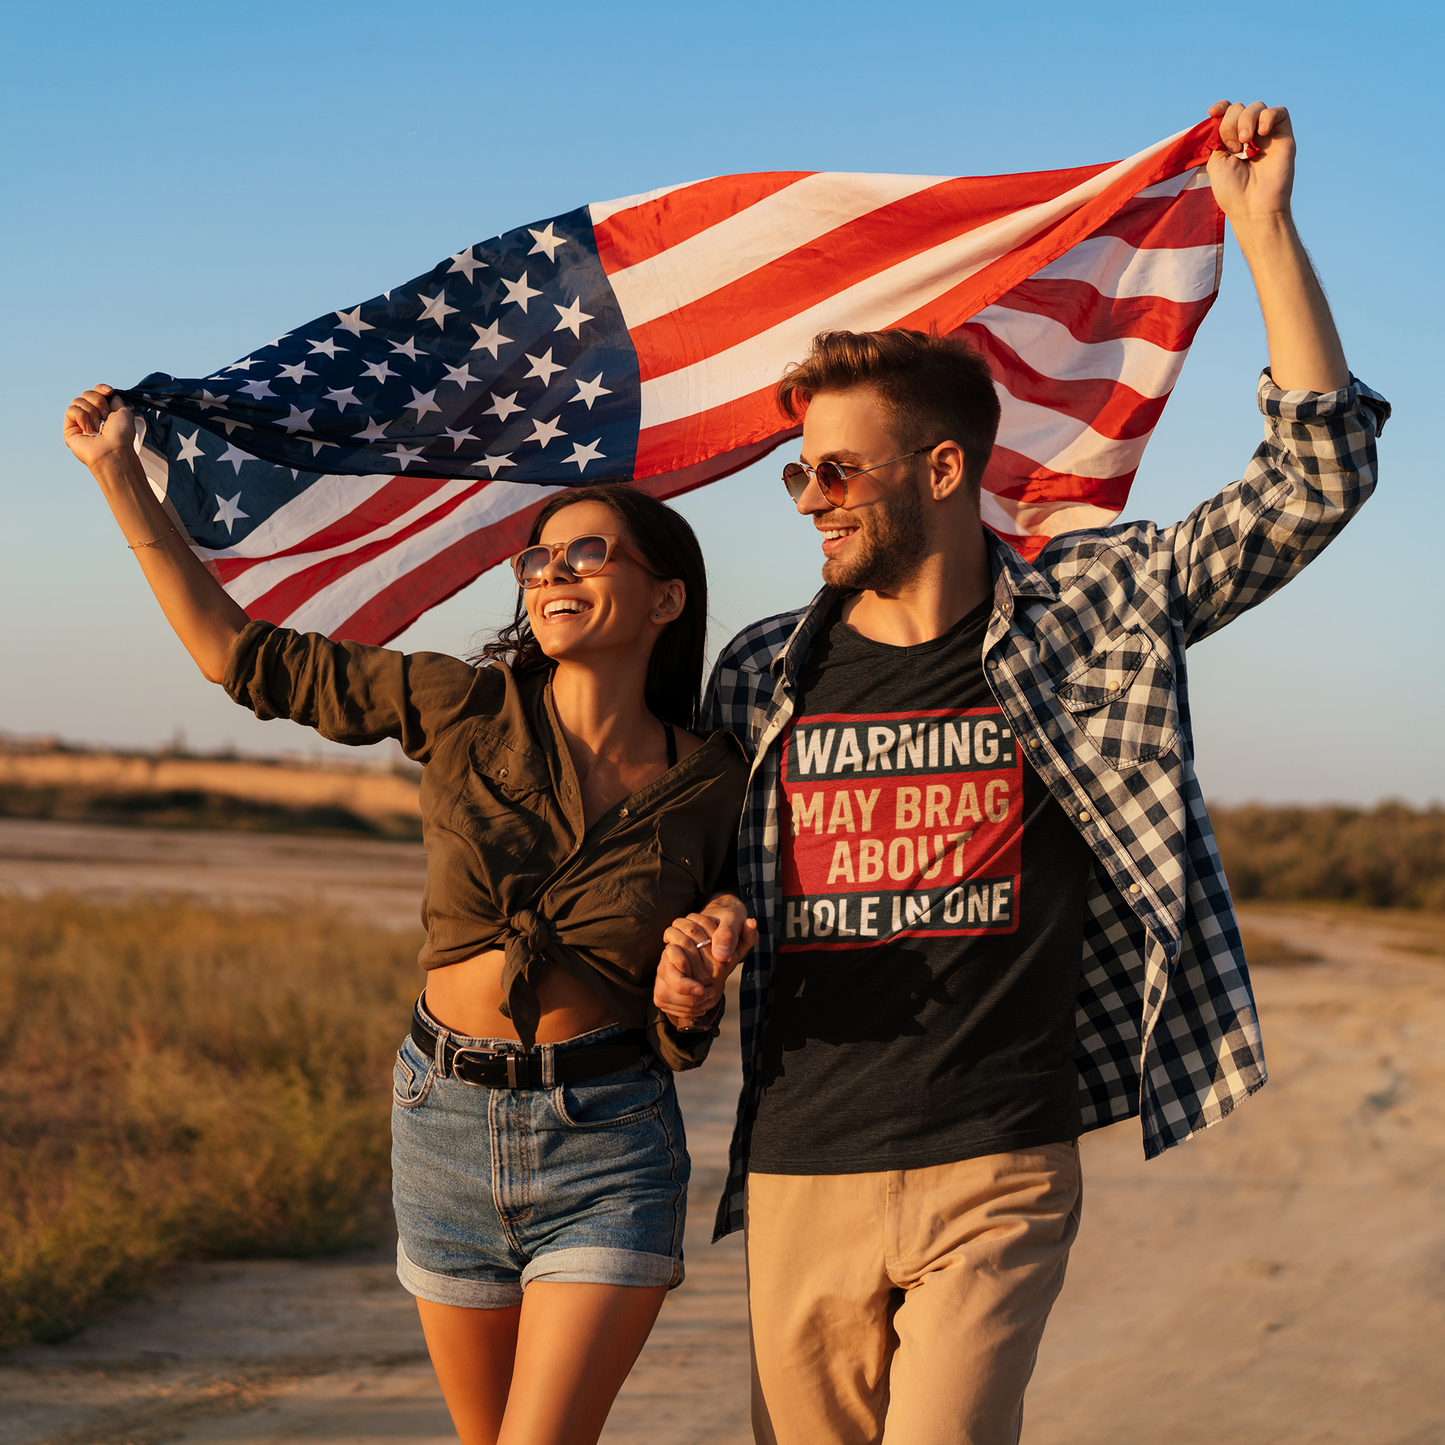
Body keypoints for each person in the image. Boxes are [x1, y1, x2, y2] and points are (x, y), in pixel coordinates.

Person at [662, 99, 1391, 1443]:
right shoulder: (759, 673)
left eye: (838, 472)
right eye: (798, 477)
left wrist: (1262, 230)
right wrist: (689, 964)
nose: (811, 498)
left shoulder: (1088, 614)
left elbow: (1314, 479)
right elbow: (699, 902)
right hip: (802, 1164)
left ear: (942, 467)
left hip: (995, 1160)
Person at [57, 391, 754, 1445]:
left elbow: (693, 993)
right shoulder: (461, 703)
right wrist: (117, 472)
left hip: (607, 1137)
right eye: (537, 559)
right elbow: (235, 655)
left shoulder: (714, 781)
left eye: (586, 552)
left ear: (666, 597)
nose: (550, 573)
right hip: (442, 1122)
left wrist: (693, 989)